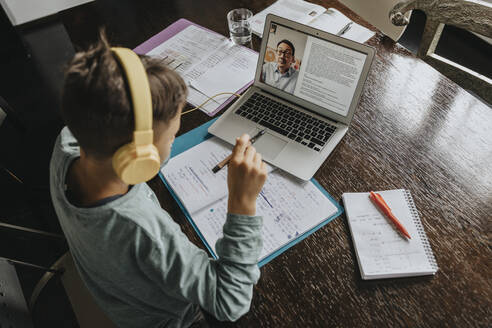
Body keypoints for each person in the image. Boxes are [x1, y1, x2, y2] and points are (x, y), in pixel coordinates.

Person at [50, 34, 268, 328]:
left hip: (114, 291)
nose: (173, 139)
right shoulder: (142, 231)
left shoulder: (67, 144)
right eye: (172, 135)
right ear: (138, 157)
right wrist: (242, 203)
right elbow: (230, 302)